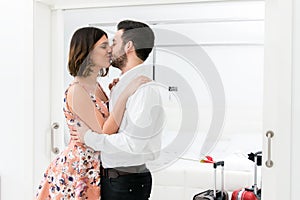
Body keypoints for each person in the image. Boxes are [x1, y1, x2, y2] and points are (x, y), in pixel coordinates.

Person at [35, 27, 150, 199]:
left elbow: (109, 121)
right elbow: (105, 130)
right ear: (87, 52)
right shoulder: (77, 90)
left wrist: (115, 94)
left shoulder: (96, 86)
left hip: (96, 167)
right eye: (103, 46)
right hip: (79, 170)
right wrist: (125, 94)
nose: (110, 50)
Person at [73, 20, 165, 200]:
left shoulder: (144, 89)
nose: (110, 49)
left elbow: (133, 143)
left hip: (126, 182)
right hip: (116, 179)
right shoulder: (122, 85)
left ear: (128, 46)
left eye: (114, 43)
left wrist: (89, 138)